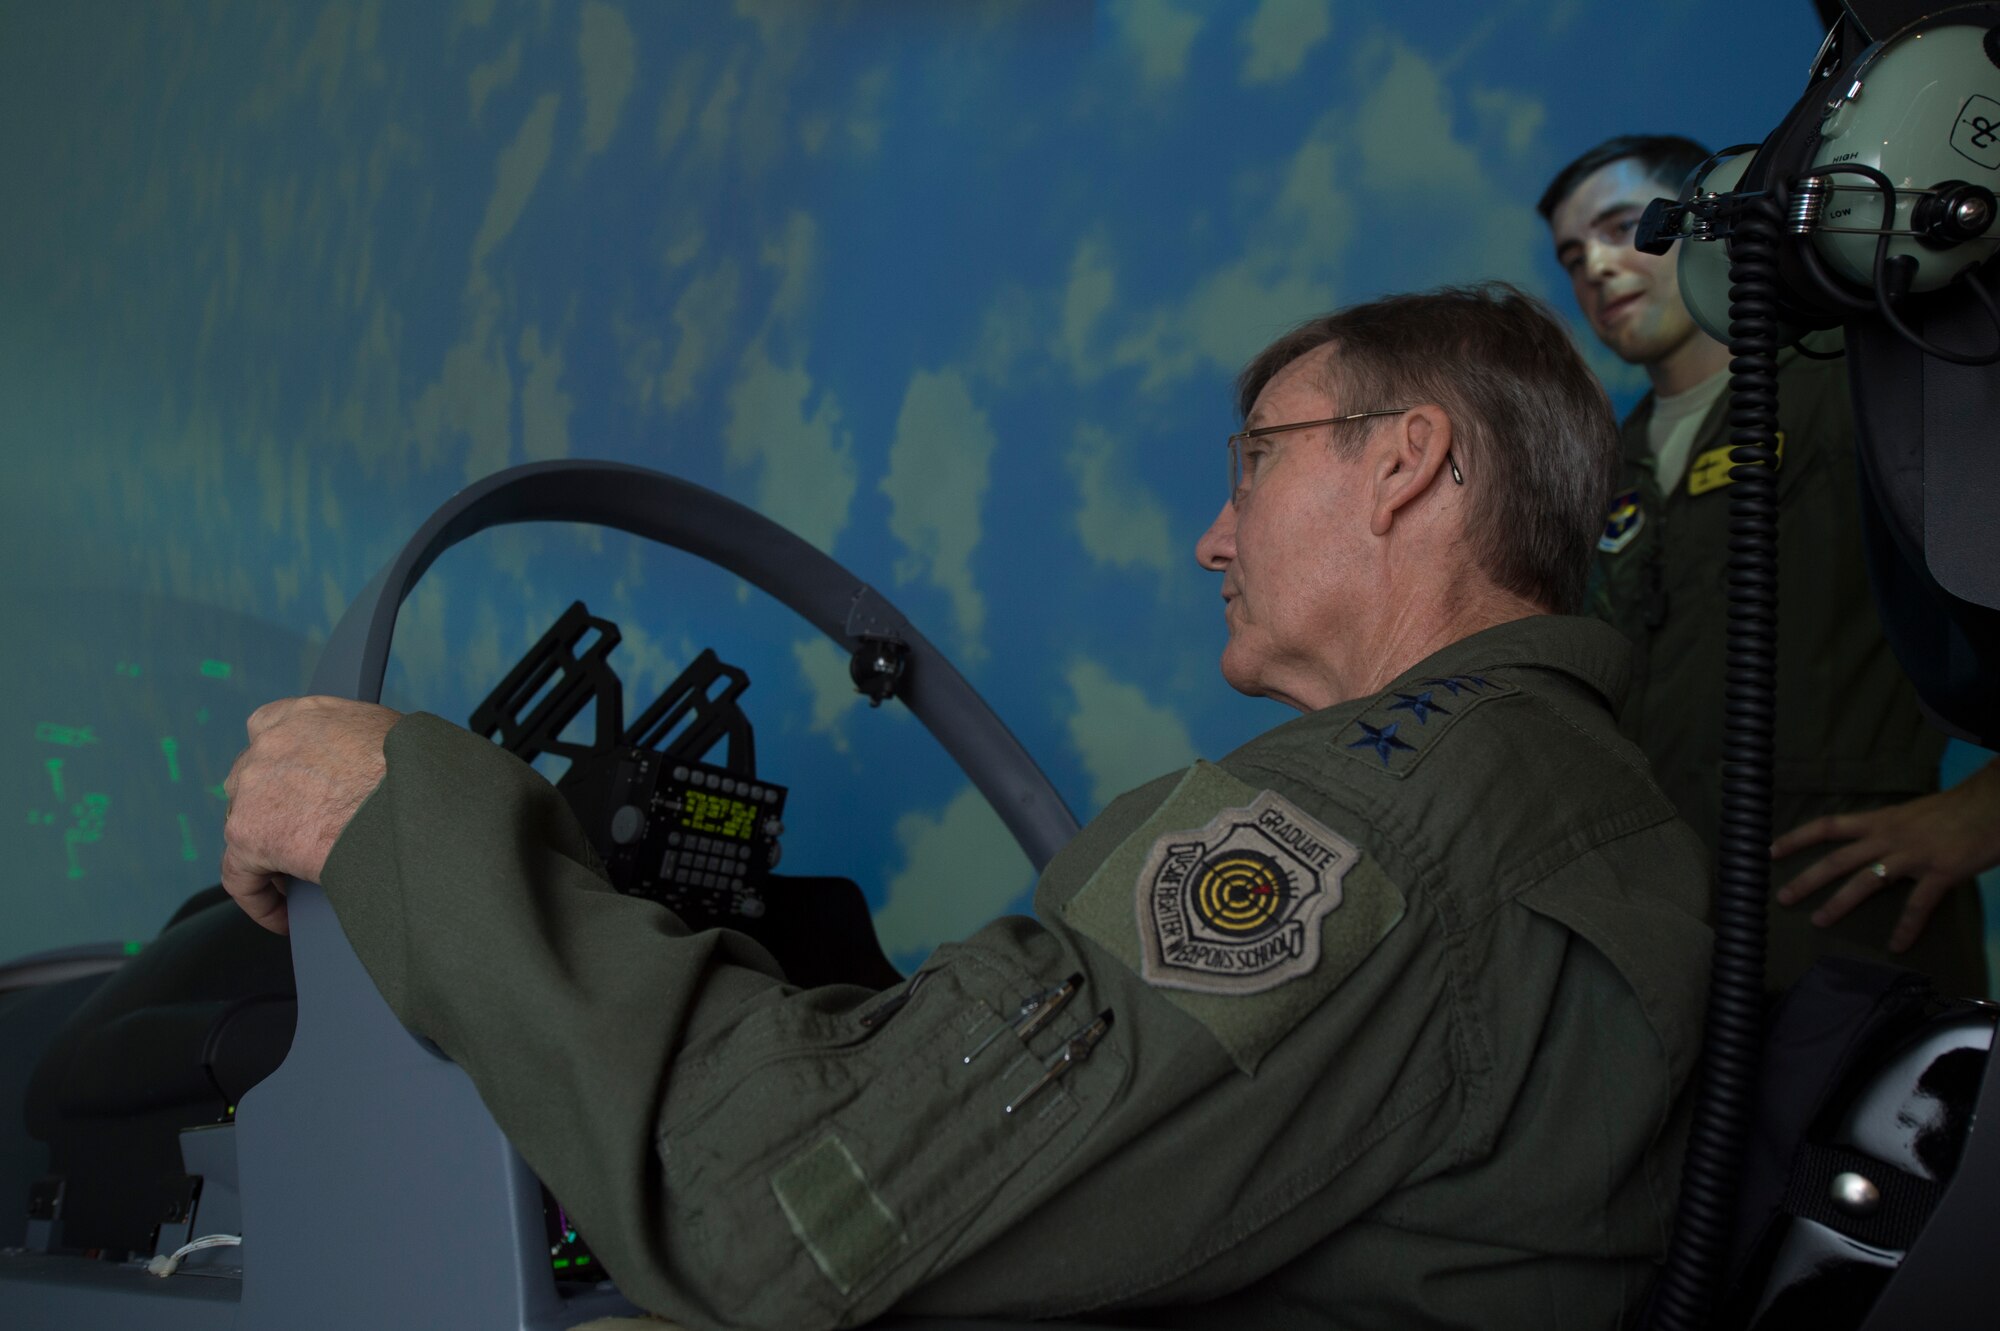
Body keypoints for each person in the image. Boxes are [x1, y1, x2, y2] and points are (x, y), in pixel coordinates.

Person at [219, 285, 1711, 1330]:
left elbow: (785, 1205)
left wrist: (401, 800)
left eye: (1253, 461)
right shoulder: (1572, 792)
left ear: (1406, 459)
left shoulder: (1369, 826)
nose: (1212, 534)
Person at [1540, 134, 1999, 998]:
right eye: (1572, 255)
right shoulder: (1601, 467)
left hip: (1846, 928)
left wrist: (1983, 812)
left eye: (1623, 227)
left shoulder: (1858, 388)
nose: (1598, 266)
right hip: (1665, 952)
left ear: (1713, 216)